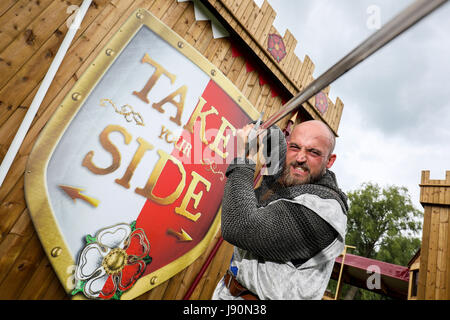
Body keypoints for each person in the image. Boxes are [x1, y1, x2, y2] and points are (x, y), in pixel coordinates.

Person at [212, 120, 348, 300]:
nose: (300, 158)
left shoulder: (323, 210)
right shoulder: (297, 178)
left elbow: (240, 227)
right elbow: (277, 150)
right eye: (295, 147)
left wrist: (244, 157)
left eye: (313, 152)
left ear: (329, 160)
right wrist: (264, 129)